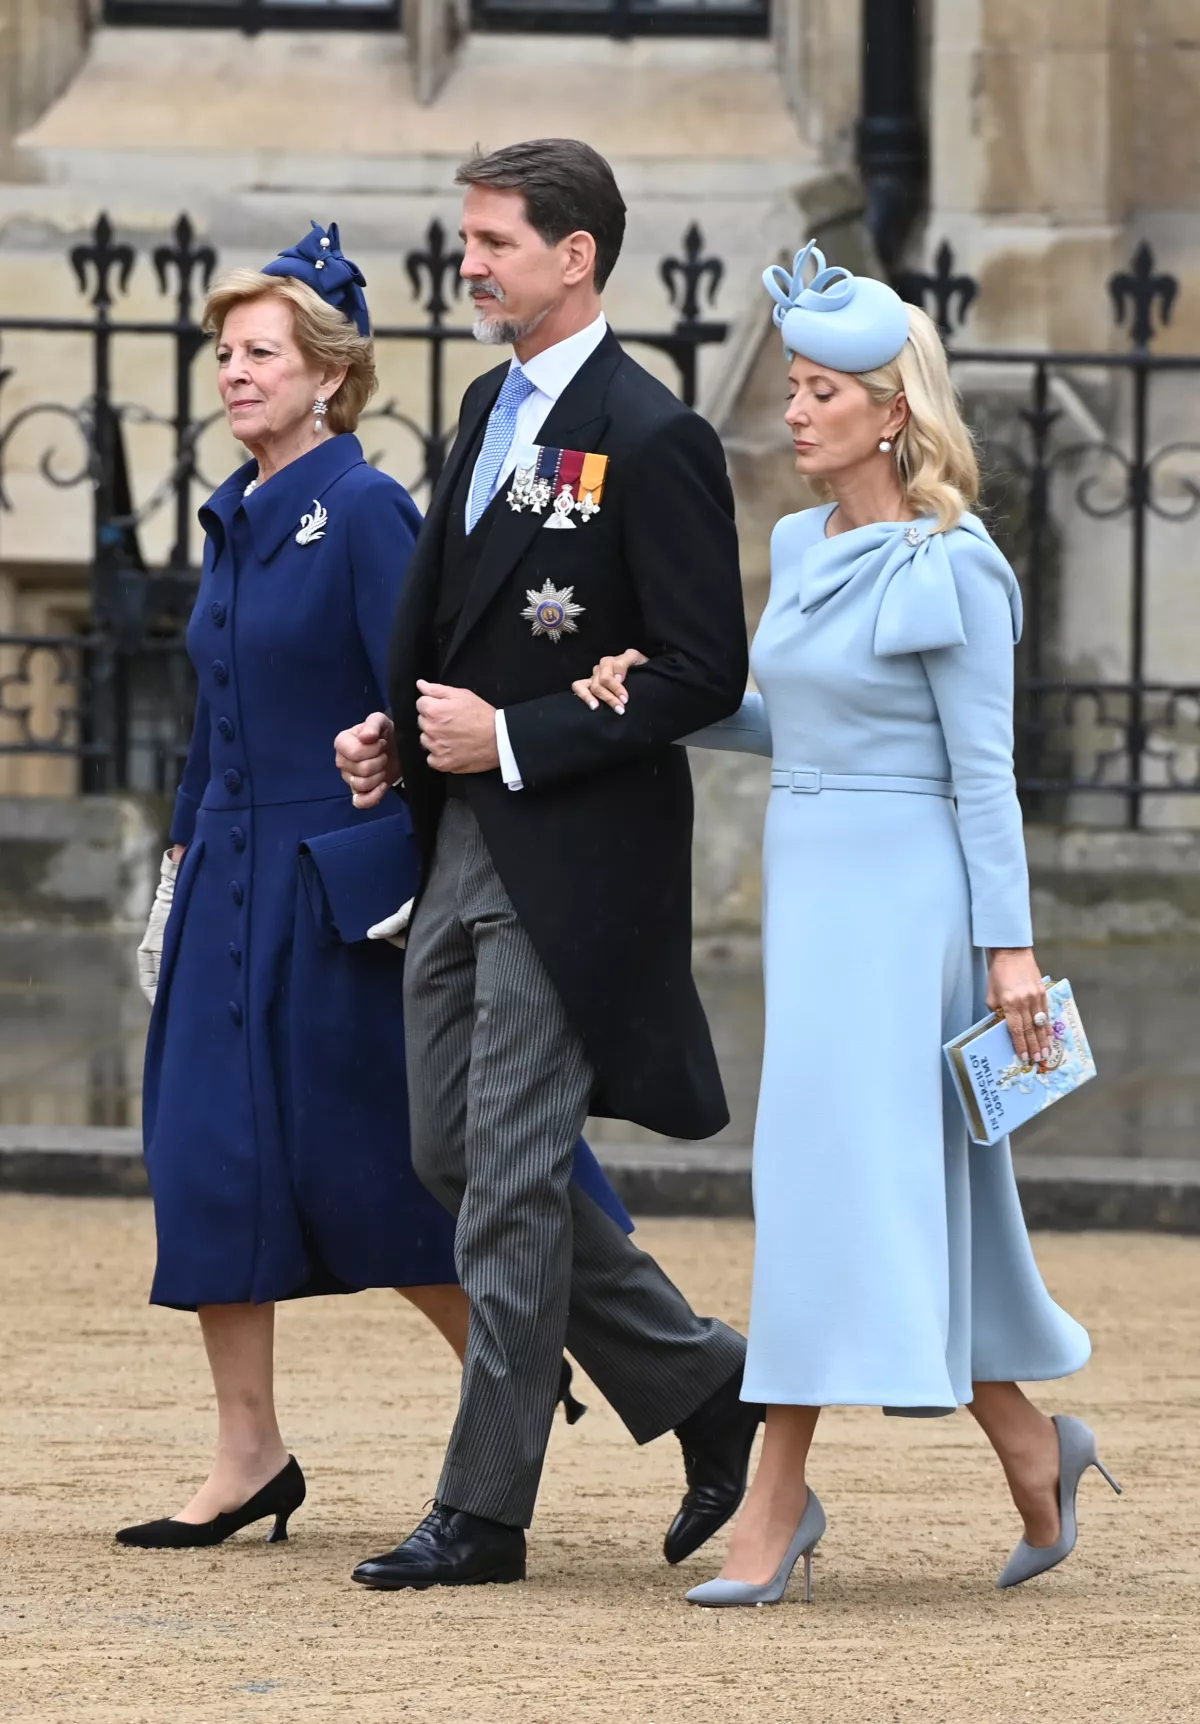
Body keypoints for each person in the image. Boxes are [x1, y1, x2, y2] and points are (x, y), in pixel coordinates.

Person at [575, 242, 1116, 1608]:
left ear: (893, 410)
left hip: (911, 899)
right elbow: (784, 718)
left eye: (821, 390)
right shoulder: (802, 543)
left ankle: (773, 1498)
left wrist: (1011, 952)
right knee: (882, 1190)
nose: (794, 410)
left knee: (829, 1189)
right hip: (815, 885)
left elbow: (985, 776)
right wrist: (665, 691)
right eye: (795, 387)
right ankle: (1031, 1442)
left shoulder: (957, 568)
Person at [121, 221, 627, 1551]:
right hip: (224, 873)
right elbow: (210, 723)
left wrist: (405, 862)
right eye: (223, 353)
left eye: (260, 354)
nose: (233, 374)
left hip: (338, 894)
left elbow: (419, 702)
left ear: (328, 377)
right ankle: (248, 1455)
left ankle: (514, 1374)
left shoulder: (359, 509)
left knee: (385, 1174)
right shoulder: (234, 512)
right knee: (206, 1162)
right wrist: (174, 879)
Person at [334, 138, 763, 1592]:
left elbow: (705, 668)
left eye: (495, 241)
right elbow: (459, 614)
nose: (470, 263)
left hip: (576, 855)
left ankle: (484, 1509)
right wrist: (399, 733)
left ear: (575, 255)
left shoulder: (655, 435)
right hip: (459, 835)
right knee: (448, 1153)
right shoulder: (483, 403)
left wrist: (511, 737)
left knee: (510, 1177)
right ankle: (714, 1391)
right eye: (469, 239)